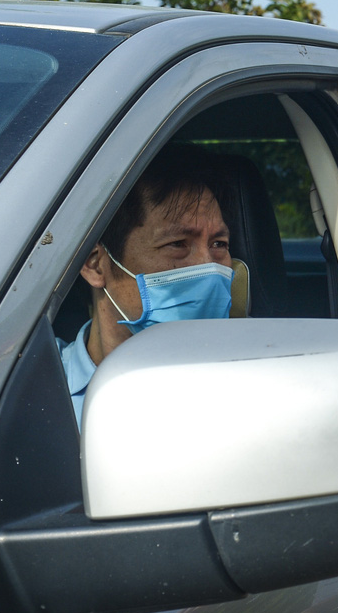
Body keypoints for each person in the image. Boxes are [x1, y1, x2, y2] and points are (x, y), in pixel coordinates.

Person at [56, 148, 235, 431]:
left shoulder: (248, 388)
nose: (208, 267)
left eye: (219, 244)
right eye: (177, 244)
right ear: (96, 265)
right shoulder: (31, 384)